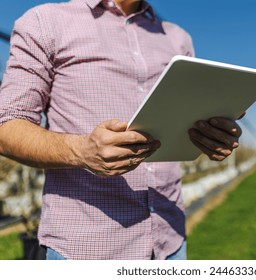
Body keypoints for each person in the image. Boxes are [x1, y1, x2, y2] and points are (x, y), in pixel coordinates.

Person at [0, 0, 242, 260]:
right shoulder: (45, 21)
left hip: (170, 242)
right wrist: (81, 151)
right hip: (87, 249)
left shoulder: (177, 39)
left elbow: (186, 121)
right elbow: (7, 126)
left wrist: (212, 134)